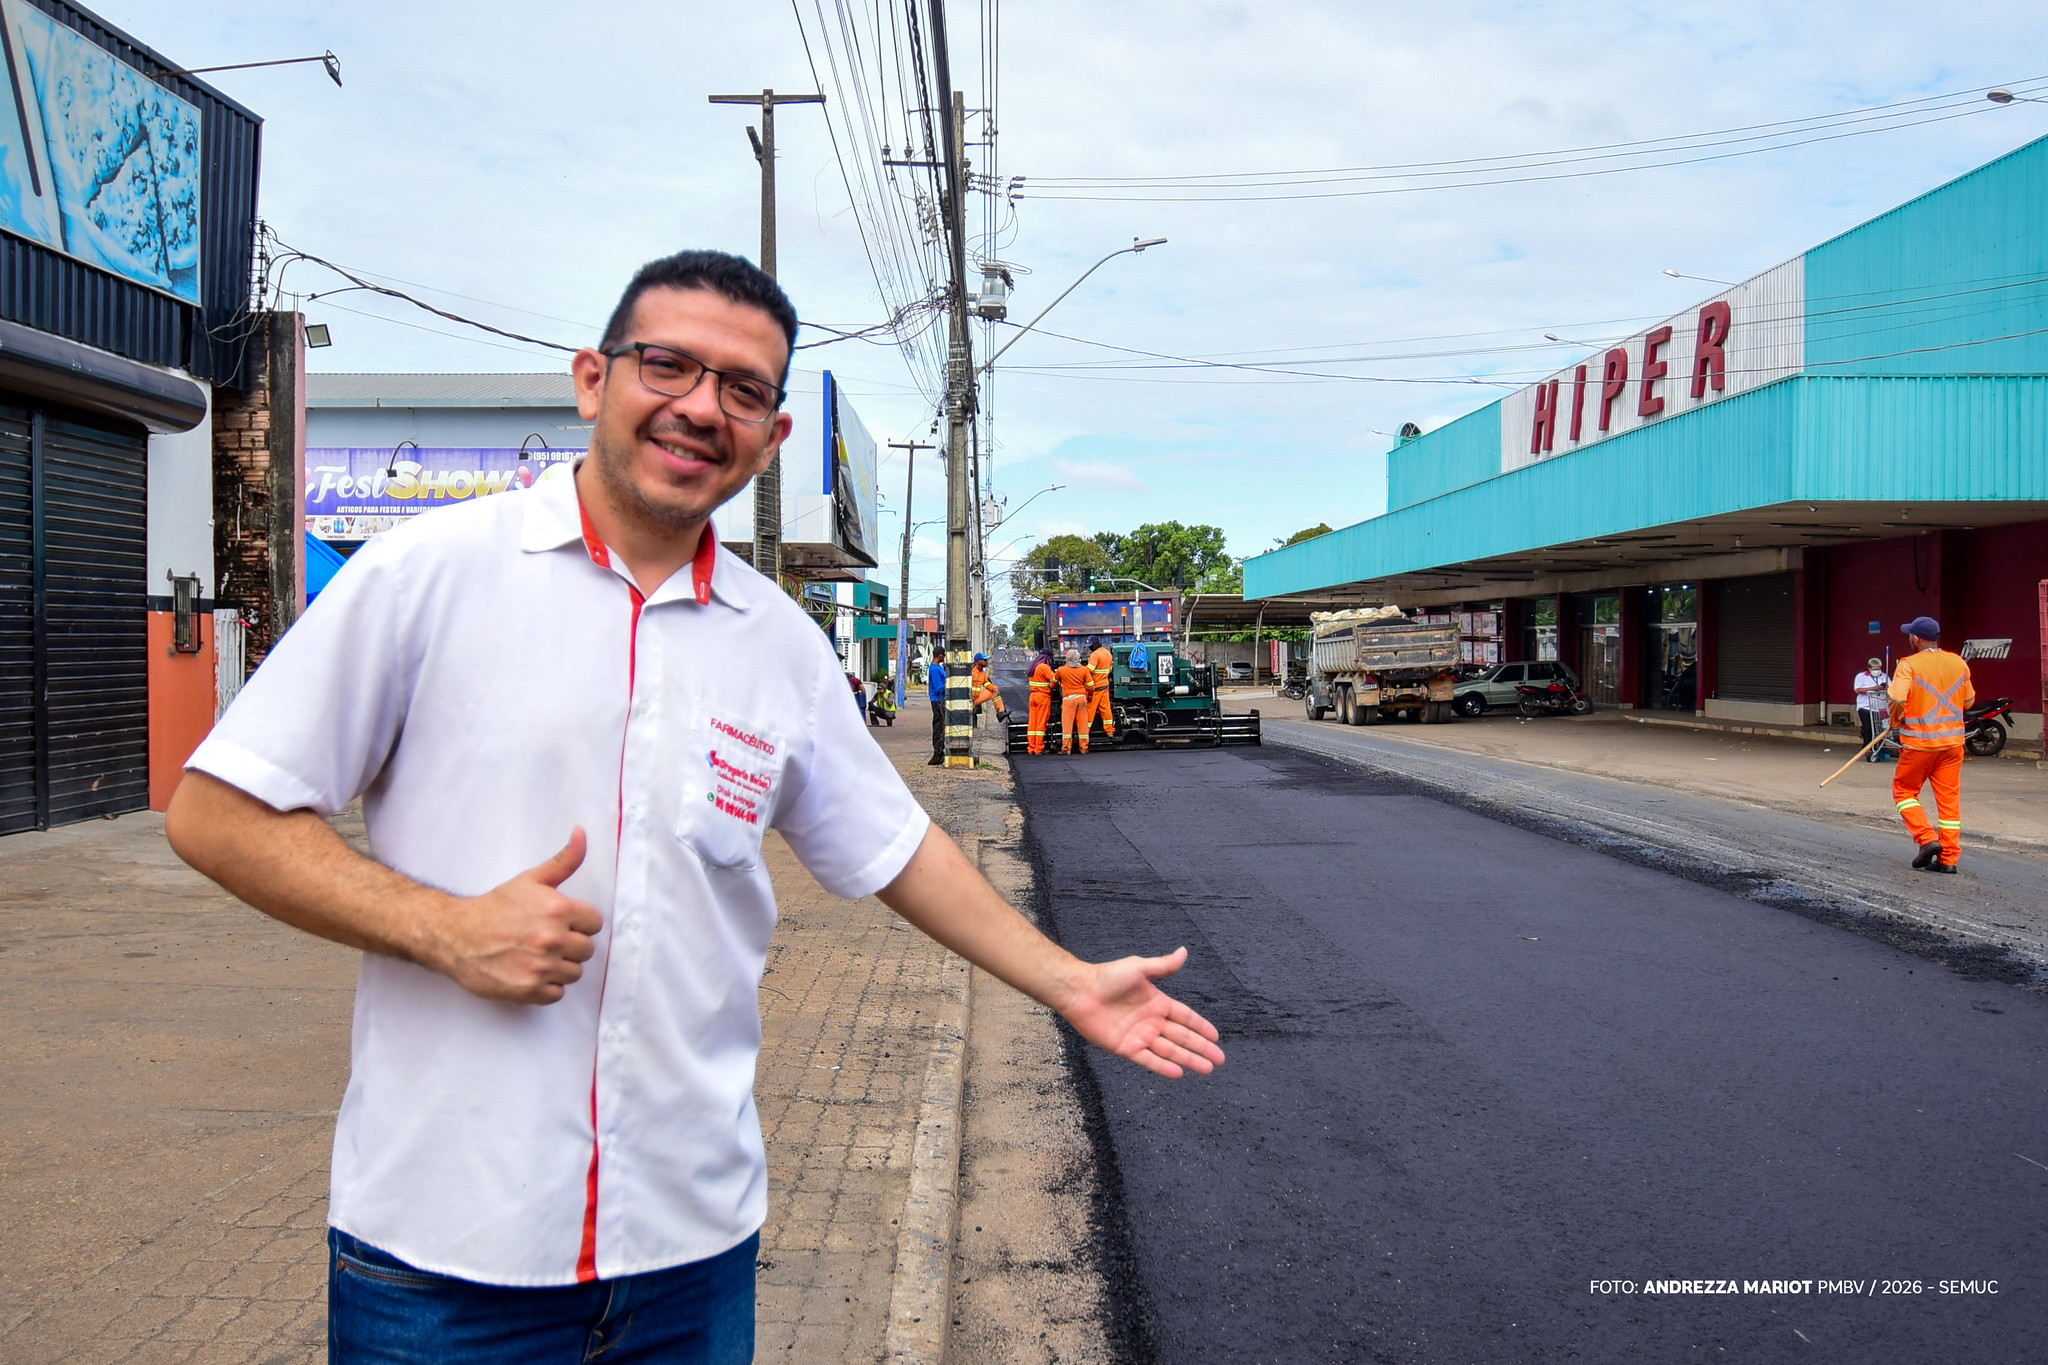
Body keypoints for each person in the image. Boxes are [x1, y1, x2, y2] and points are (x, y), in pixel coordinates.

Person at [162, 250, 1223, 1365]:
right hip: (443, 1257)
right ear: (592, 380)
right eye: (667, 365)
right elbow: (217, 812)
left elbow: (896, 846)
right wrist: (445, 929)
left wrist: (1068, 983)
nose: (700, 407)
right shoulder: (426, 578)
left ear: (769, 440)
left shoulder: (779, 644)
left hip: (689, 1259)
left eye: (744, 390)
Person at [1887, 615, 1973, 874]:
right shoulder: (1958, 663)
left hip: (1919, 746)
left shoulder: (1908, 665)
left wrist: (1894, 721)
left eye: (1909, 635)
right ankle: (1948, 859)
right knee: (1949, 803)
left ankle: (1926, 838)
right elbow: (1968, 702)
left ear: (1916, 638)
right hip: (1952, 746)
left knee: (1904, 791)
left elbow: (1897, 699)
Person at [1852, 655, 1893, 761]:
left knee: (1881, 728)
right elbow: (1858, 689)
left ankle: (1880, 747)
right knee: (1868, 728)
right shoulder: (1861, 676)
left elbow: (1892, 688)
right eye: (1874, 669)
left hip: (1881, 707)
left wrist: (1886, 688)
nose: (1877, 671)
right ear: (1869, 668)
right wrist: (1873, 688)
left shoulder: (1884, 676)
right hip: (1866, 706)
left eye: (1879, 669)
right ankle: (1868, 748)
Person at [1056, 647, 1095, 755]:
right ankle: (1084, 748)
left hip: (1068, 700)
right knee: (1083, 724)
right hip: (1082, 698)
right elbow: (1091, 686)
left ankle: (1066, 749)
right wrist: (1089, 696)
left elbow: (1053, 682)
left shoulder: (1061, 670)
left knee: (1067, 725)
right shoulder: (1084, 670)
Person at [1087, 638, 1118, 743]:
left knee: (1090, 710)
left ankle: (1085, 731)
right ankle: (1109, 731)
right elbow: (1110, 669)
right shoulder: (1107, 653)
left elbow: (1089, 671)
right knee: (1106, 709)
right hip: (1105, 686)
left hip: (1095, 688)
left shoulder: (1095, 655)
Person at [1026, 651, 1056, 754]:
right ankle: (1039, 748)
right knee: (1041, 722)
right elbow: (1054, 679)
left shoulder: (1033, 667)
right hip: (1043, 697)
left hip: (1033, 696)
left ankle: (1031, 747)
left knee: (1032, 722)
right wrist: (1051, 687)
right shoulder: (1044, 667)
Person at [970, 651, 1007, 728]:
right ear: (979, 661)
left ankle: (1000, 713)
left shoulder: (983, 673)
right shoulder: (971, 671)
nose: (987, 662)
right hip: (969, 699)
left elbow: (986, 684)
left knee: (994, 692)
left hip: (977, 698)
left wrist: (994, 687)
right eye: (985, 660)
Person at [927, 647, 949, 766]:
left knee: (942, 726)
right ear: (940, 655)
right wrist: (950, 685)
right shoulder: (934, 669)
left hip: (941, 699)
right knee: (938, 726)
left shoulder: (939, 667)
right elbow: (938, 686)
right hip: (937, 700)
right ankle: (937, 751)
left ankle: (941, 751)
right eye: (943, 655)